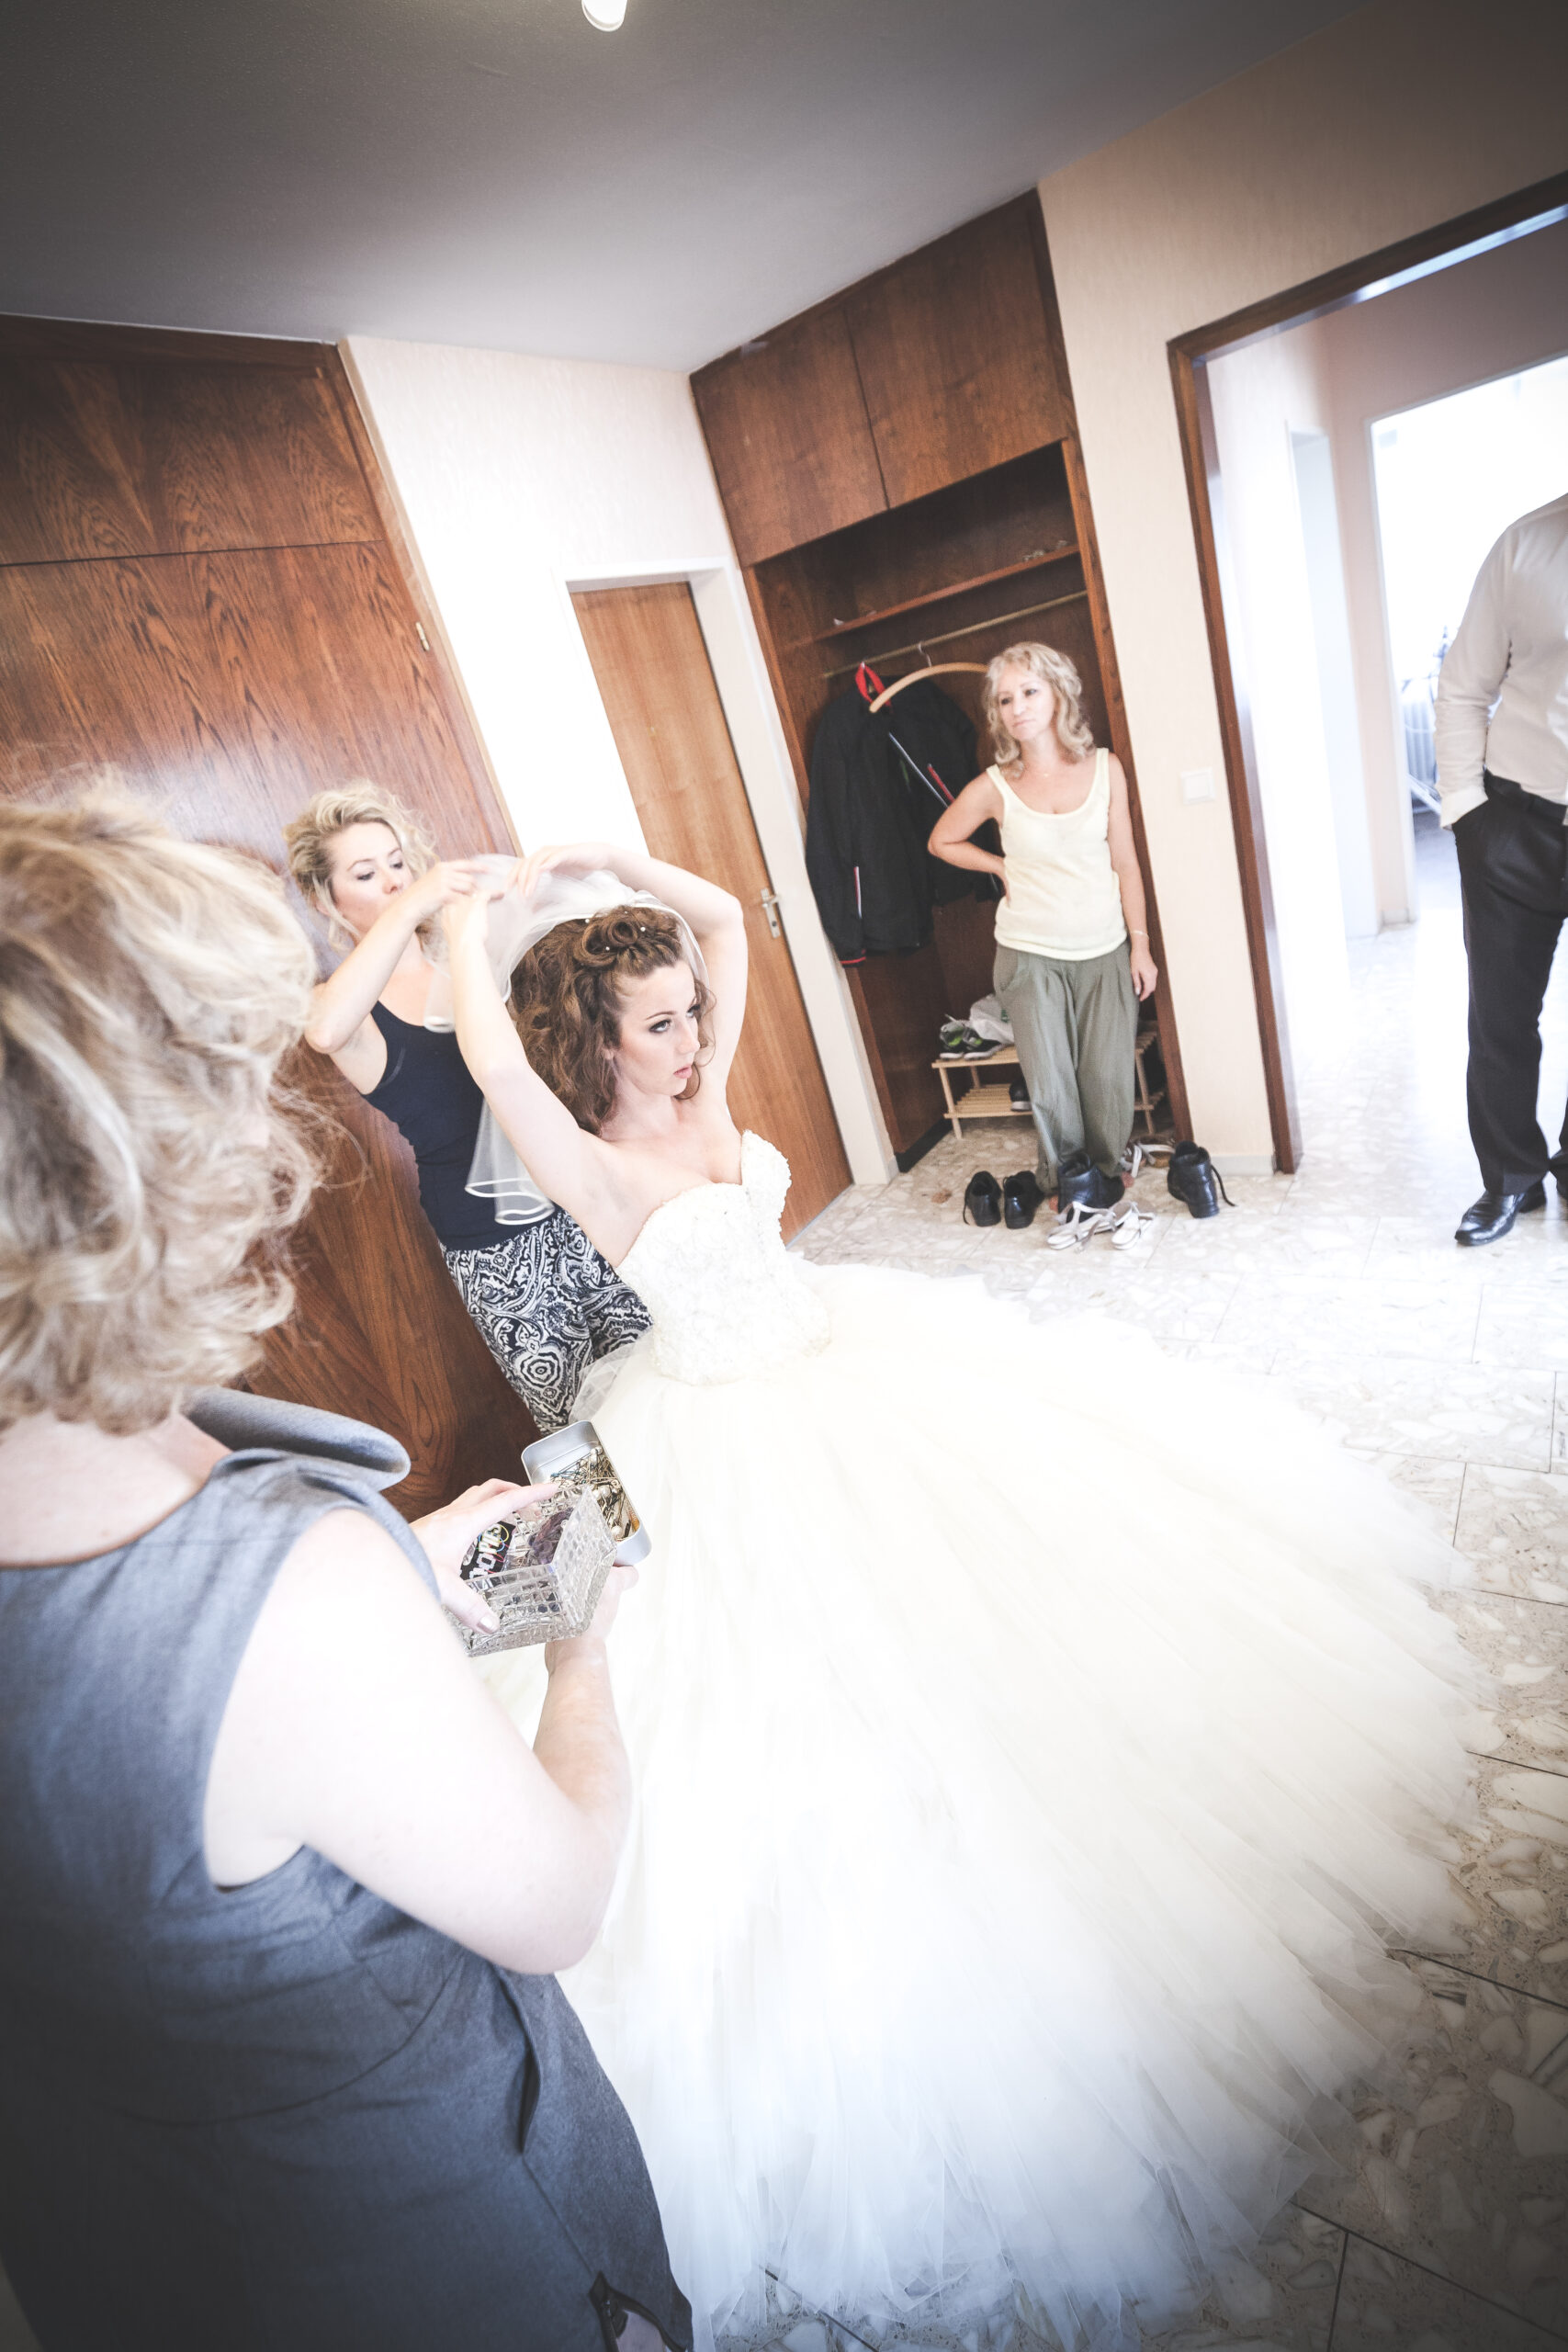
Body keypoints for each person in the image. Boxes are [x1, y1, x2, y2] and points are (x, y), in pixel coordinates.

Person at [444, 835, 1477, 2352]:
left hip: (846, 1358)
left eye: (688, 1016)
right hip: (717, 1434)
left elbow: (727, 925)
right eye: (656, 1024)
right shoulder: (591, 1159)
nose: (691, 1039)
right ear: (592, 1043)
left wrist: (623, 865)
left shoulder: (701, 1093)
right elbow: (486, 1047)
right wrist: (459, 917)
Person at [0, 794, 691, 2352]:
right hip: (413, 2265)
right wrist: (576, 1644)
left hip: (115, 2255)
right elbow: (557, 1901)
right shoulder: (290, 1591)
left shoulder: (227, 1520)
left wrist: (398, 1550)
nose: (270, 1131)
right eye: (225, 1082)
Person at [285, 786, 650, 1430]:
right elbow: (323, 1030)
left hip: (584, 1197)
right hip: (493, 1244)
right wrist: (412, 906)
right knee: (576, 1427)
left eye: (399, 862)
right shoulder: (345, 1009)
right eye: (365, 874)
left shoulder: (474, 956)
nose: (394, 881)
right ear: (325, 900)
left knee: (660, 1374)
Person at [929, 642, 1157, 1211]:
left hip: (1103, 947)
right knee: (1050, 1080)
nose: (1017, 708)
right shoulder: (994, 785)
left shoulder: (1105, 768)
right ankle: (1066, 1182)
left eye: (1029, 692)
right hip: (1028, 952)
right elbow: (942, 840)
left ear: (1058, 694)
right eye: (1005, 699)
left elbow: (1126, 862)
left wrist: (1141, 945)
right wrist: (998, 864)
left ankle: (1106, 1168)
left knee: (1106, 1075)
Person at [1435, 491, 1568, 1246]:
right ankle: (1510, 1178)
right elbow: (1462, 685)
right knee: (1500, 1019)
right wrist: (1466, 812)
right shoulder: (1525, 546)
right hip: (1514, 826)